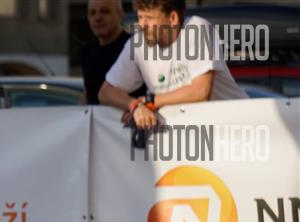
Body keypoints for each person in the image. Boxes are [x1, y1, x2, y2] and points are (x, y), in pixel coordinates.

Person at [98, 0, 247, 129]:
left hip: (238, 128)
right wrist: (134, 105)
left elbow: (200, 91)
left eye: (149, 18)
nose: (142, 25)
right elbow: (105, 92)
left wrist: (149, 102)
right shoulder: (137, 44)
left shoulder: (197, 28)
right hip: (192, 136)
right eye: (140, 17)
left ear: (173, 18)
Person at [81, 0, 145, 104]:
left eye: (105, 11)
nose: (97, 18)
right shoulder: (87, 50)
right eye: (92, 13)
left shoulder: (134, 48)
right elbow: (88, 92)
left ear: (120, 14)